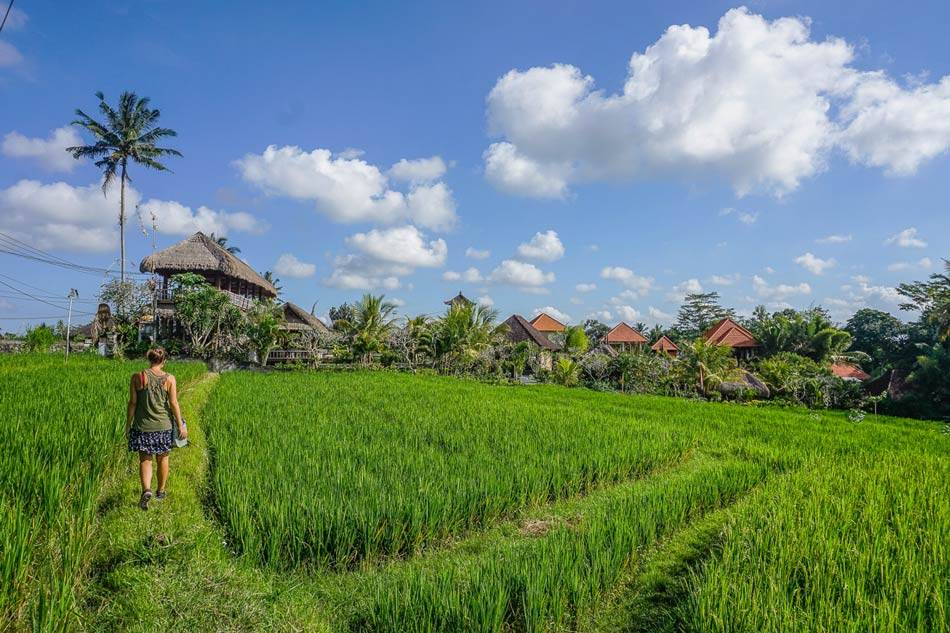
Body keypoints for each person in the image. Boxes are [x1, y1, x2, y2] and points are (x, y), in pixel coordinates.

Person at [126, 347, 187, 510]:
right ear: (164, 360)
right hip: (163, 425)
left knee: (145, 459)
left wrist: (127, 425)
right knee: (163, 458)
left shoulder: (137, 377)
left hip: (142, 426)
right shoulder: (170, 379)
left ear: (149, 359)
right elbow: (174, 403)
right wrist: (180, 425)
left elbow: (132, 403)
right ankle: (160, 491)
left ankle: (146, 489)